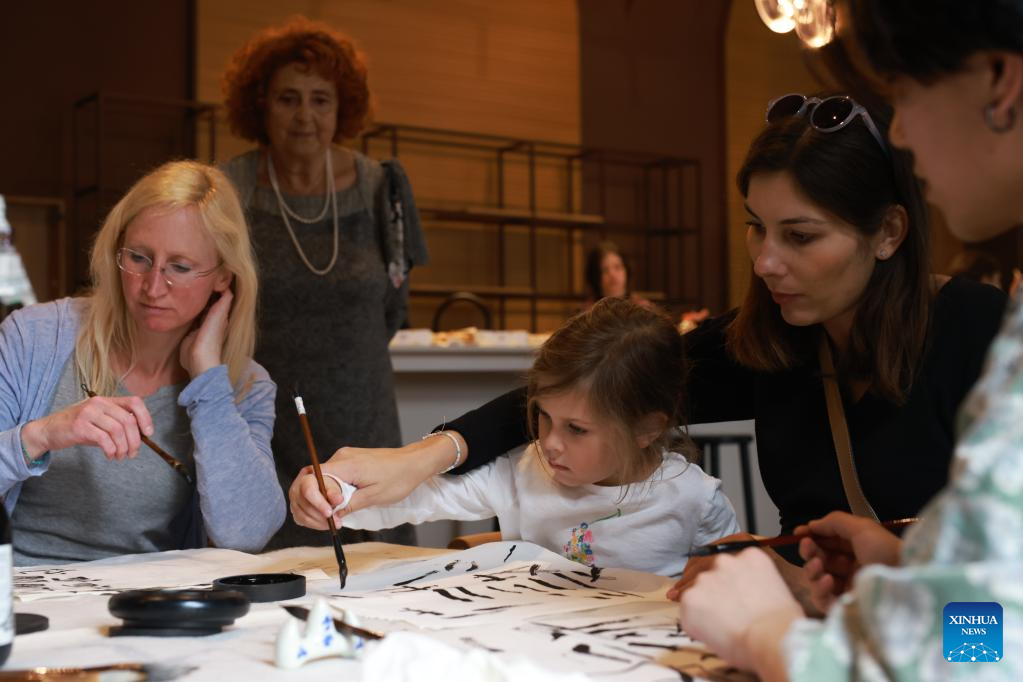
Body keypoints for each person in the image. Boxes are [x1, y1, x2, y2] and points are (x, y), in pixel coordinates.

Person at [310, 90, 1006, 598]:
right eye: (754, 227)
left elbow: (999, 618)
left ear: (887, 233)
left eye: (799, 236)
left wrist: (798, 594)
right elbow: (588, 387)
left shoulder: (979, 335)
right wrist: (423, 456)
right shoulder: (774, 340)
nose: (764, 262)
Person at [677, 1, 1023, 679]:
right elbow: (991, 626)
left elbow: (977, 660)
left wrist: (768, 637)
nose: (900, 131)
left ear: (999, 83)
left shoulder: (982, 332)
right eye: (758, 228)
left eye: (903, 92)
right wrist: (914, 564)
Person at [291, 297, 739, 575]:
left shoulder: (695, 500)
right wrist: (337, 495)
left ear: (647, 428)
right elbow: (418, 497)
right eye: (543, 416)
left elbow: (739, 592)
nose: (550, 442)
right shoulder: (524, 471)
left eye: (576, 429)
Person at [0, 160, 285, 565]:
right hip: (18, 599)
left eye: (180, 268)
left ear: (224, 276)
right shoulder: (35, 338)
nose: (153, 287)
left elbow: (247, 534)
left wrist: (207, 378)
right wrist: (40, 436)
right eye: (138, 258)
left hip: (145, 608)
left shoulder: (243, 385)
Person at [220, 17, 428, 549]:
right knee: (274, 569)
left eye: (321, 100)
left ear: (343, 109)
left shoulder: (383, 188)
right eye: (289, 98)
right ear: (261, 105)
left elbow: (394, 305)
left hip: (364, 414)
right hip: (263, 417)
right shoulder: (228, 190)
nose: (305, 116)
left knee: (376, 566)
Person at [582, 241, 655, 311]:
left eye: (618, 267)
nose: (612, 275)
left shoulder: (642, 308)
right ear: (595, 276)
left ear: (627, 270)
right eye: (604, 270)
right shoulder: (588, 313)